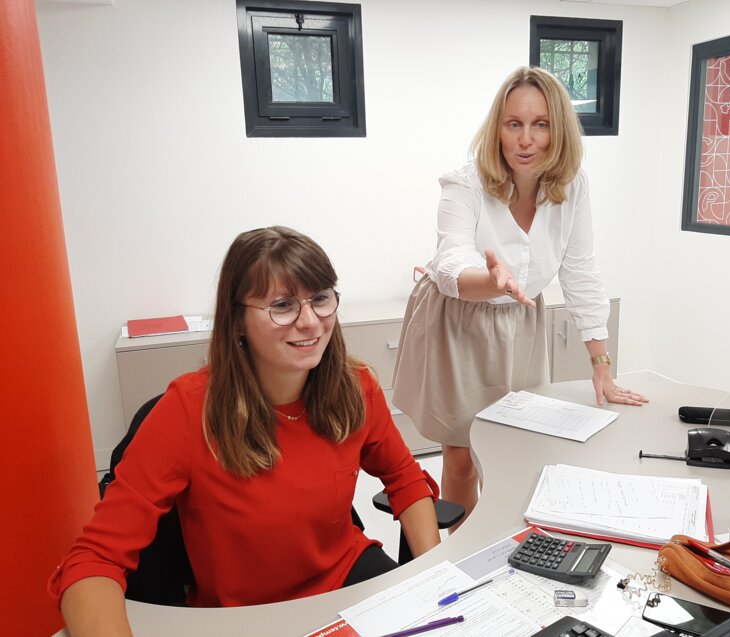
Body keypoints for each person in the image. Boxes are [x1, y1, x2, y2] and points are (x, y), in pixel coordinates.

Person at [50, 226, 440, 635]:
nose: (310, 322)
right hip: (243, 616)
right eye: (283, 306)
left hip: (346, 583)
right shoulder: (188, 411)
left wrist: (434, 575)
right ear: (237, 321)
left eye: (321, 299)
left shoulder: (355, 387)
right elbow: (92, 561)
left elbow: (405, 479)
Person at [392, 66, 648, 529]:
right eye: (514, 124)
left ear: (559, 130)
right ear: (498, 129)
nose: (526, 140)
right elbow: (450, 262)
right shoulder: (465, 183)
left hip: (523, 321)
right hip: (460, 318)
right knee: (462, 455)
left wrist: (601, 366)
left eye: (540, 124)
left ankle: (507, 538)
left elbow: (580, 271)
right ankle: (467, 546)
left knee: (519, 443)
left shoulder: (573, 187)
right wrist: (492, 282)